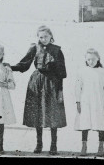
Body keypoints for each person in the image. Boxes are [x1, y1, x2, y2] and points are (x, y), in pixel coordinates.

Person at [9, 25, 67, 155]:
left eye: (46, 36)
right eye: (41, 37)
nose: (44, 39)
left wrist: (60, 90)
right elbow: (24, 64)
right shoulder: (34, 48)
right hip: (37, 83)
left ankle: (53, 145)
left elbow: (61, 73)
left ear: (51, 36)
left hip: (52, 84)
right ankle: (39, 144)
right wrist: (9, 67)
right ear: (38, 37)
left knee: (53, 114)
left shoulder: (57, 50)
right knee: (37, 113)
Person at [74, 48, 104, 157]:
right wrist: (78, 101)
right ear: (85, 59)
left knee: (100, 123)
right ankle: (84, 146)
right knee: (84, 123)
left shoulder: (103, 72)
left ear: (98, 59)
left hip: (98, 102)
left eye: (93, 59)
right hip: (85, 101)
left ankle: (101, 147)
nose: (90, 61)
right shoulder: (81, 71)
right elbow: (78, 87)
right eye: (88, 59)